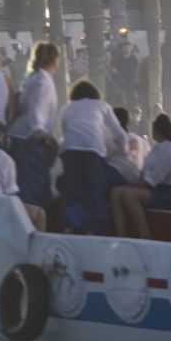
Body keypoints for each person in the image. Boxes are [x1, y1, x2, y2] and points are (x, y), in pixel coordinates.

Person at [58, 80, 127, 234]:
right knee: (94, 191)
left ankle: (70, 226)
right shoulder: (102, 106)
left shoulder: (67, 108)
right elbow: (120, 134)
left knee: (72, 190)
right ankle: (97, 230)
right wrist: (116, 151)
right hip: (93, 151)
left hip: (70, 152)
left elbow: (64, 132)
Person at [113, 113, 171, 238]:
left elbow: (155, 178)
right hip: (149, 187)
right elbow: (145, 170)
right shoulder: (156, 148)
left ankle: (145, 232)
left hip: (165, 193)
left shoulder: (170, 149)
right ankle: (120, 234)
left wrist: (140, 183)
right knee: (115, 192)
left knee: (128, 194)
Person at [8, 43, 61, 210]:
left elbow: (22, 104)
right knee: (33, 188)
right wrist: (45, 135)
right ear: (54, 59)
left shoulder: (32, 77)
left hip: (19, 134)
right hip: (32, 139)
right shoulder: (44, 81)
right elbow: (37, 111)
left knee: (24, 183)